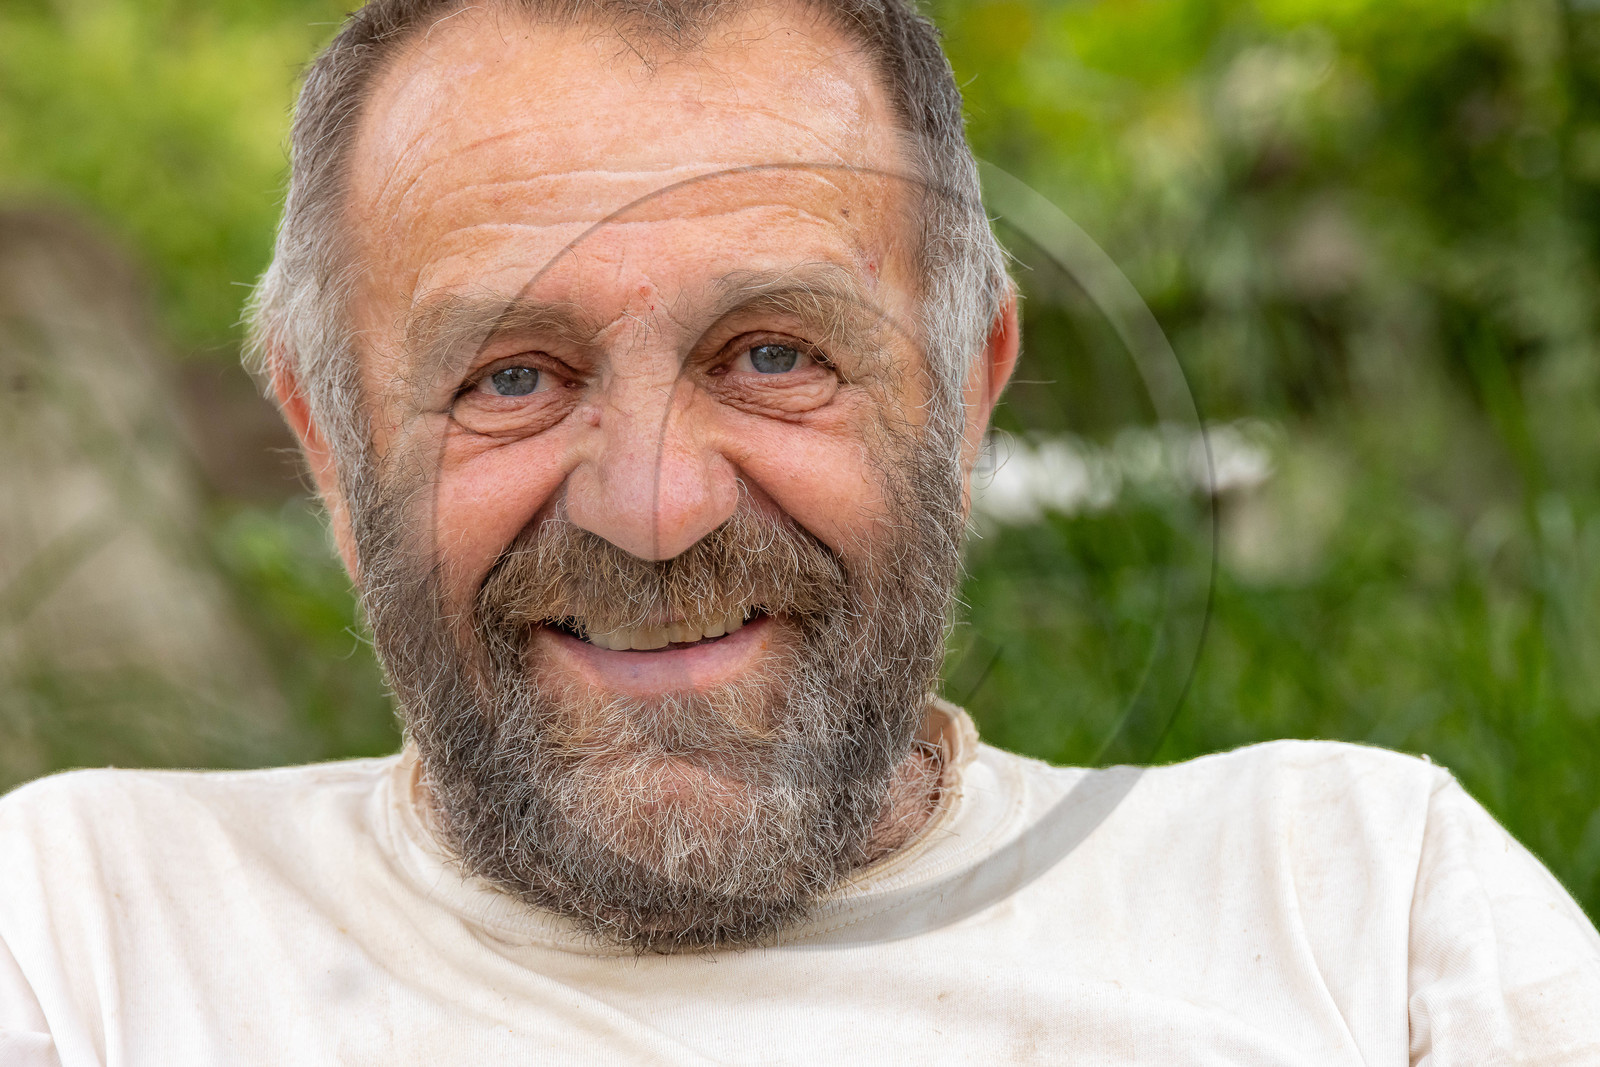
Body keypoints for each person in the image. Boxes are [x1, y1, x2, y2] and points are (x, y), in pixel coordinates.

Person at [2, 0, 1597, 1061]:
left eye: (775, 355)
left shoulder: (1362, 903)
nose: (653, 505)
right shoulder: (80, 937)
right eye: (513, 375)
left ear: (966, 401)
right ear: (331, 457)